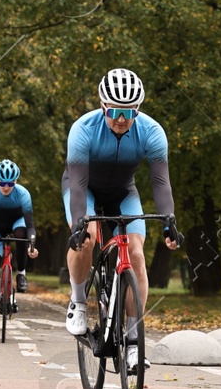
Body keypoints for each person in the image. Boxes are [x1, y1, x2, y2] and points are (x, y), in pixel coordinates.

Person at [63, 68, 180, 369]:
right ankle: (77, 303)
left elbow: (160, 183)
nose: (120, 119)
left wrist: (169, 221)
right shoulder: (83, 129)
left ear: (137, 110)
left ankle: (132, 341)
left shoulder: (152, 132)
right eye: (114, 110)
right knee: (85, 239)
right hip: (84, 189)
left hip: (123, 192)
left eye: (129, 112)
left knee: (137, 254)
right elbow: (77, 184)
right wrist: (79, 223)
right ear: (103, 106)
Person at [0, 159, 39, 331]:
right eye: (2, 183)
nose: (6, 187)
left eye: (10, 183)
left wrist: (32, 245)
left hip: (17, 222)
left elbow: (30, 226)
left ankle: (21, 273)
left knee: (21, 234)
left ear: (16, 182)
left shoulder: (23, 194)